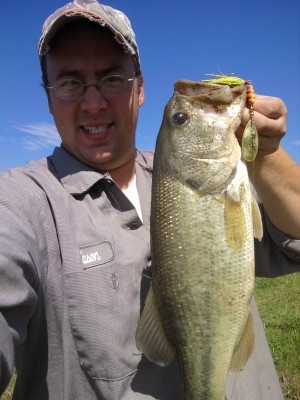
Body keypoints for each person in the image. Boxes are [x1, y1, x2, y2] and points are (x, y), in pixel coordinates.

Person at [0, 1, 299, 399]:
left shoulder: (203, 175)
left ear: (139, 89)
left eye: (111, 79)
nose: (93, 103)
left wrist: (265, 153)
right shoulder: (21, 201)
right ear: (49, 98)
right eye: (71, 83)